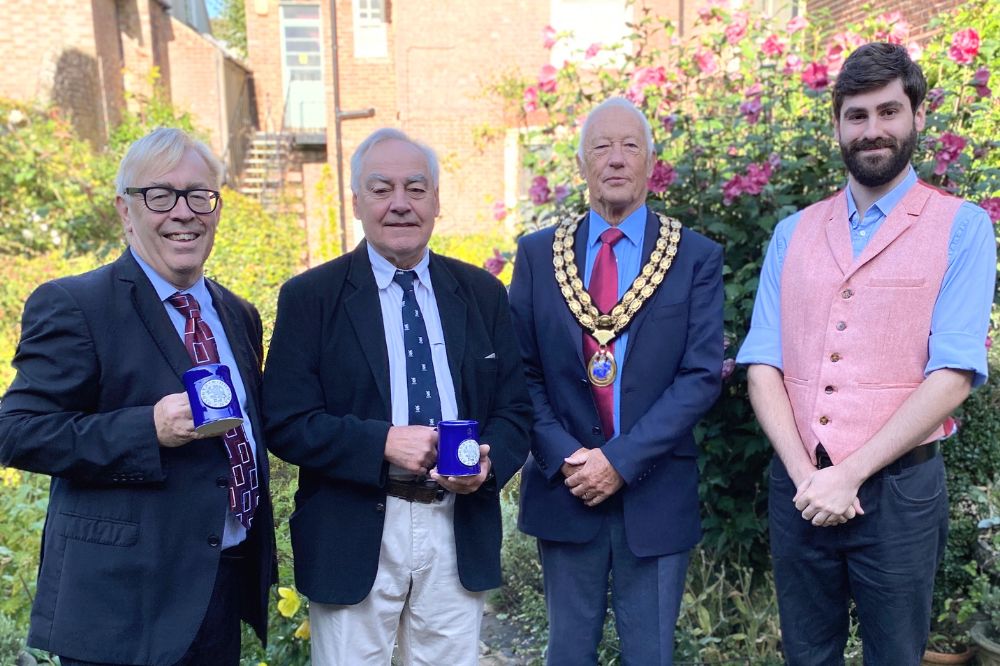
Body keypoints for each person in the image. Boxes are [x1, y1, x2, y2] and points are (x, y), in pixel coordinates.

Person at [737, 42, 996, 664]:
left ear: (917, 117)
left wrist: (848, 475)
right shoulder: (792, 232)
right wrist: (807, 476)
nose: (872, 130)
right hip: (799, 484)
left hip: (900, 493)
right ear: (837, 125)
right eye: (857, 115)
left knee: (896, 656)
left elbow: (955, 373)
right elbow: (763, 363)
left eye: (888, 111)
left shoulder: (961, 227)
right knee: (807, 653)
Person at [0, 128, 277, 666]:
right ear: (125, 210)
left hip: (217, 588)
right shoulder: (76, 305)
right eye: (160, 195)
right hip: (121, 607)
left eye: (200, 194)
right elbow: (16, 431)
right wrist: (145, 429)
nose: (184, 212)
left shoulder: (237, 314)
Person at [262, 127, 531, 665]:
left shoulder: (480, 293)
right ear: (357, 202)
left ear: (436, 201)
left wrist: (489, 461)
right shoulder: (311, 297)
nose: (400, 204)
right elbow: (286, 421)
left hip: (457, 526)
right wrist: (381, 442)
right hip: (355, 527)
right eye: (382, 189)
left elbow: (515, 410)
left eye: (416, 188)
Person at [508, 96, 724, 665]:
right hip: (567, 488)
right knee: (567, 654)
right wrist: (570, 458)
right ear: (581, 165)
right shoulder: (537, 256)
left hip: (654, 493)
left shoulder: (694, 257)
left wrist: (621, 461)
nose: (616, 159)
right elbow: (520, 373)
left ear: (651, 162)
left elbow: (700, 376)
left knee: (650, 655)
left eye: (630, 145)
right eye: (601, 147)